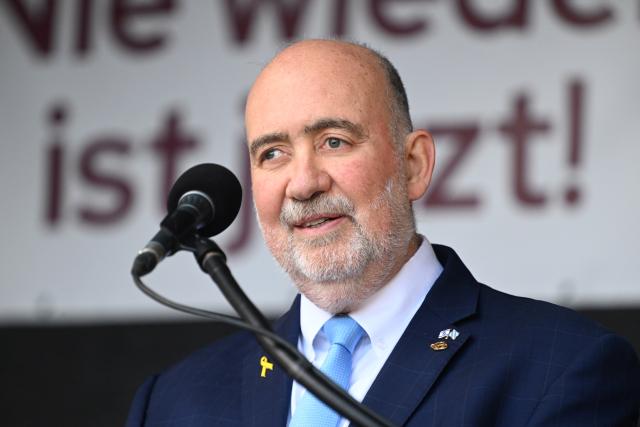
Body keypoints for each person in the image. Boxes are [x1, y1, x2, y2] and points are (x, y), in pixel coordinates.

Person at [126, 40, 640, 426]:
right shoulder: (173, 403)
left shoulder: (562, 368)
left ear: (414, 164)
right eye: (272, 154)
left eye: (334, 141)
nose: (302, 184)